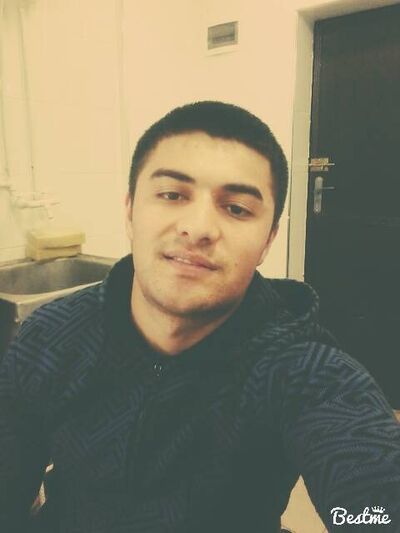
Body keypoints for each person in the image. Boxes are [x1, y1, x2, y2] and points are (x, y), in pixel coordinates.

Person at [0, 101, 399, 533]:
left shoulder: (306, 372)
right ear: (130, 211)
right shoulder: (52, 335)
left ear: (268, 241)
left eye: (237, 208)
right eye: (172, 195)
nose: (198, 227)